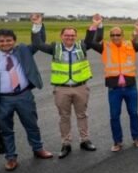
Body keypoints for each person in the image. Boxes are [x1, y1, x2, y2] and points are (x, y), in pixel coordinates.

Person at [30, 13, 97, 158]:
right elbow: (38, 44)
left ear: (76, 36)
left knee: (82, 115)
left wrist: (95, 25)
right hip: (62, 89)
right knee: (64, 117)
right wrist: (37, 25)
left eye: (72, 35)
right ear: (62, 36)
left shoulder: (82, 46)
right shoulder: (55, 48)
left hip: (80, 87)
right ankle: (66, 143)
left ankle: (85, 140)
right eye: (67, 35)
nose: (70, 38)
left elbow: (91, 40)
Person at [86, 16, 138, 152]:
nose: (115, 37)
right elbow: (89, 42)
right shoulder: (105, 46)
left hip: (130, 87)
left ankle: (137, 138)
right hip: (114, 88)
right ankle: (117, 141)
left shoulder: (130, 45)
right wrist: (94, 26)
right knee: (114, 116)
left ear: (122, 35)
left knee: (133, 113)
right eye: (112, 35)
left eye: (118, 34)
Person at [0, 28, 53, 171]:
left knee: (32, 125)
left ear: (14, 41)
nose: (5, 43)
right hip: (3, 99)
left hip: (24, 96)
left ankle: (38, 148)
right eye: (1, 41)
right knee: (5, 130)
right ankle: (11, 157)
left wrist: (37, 25)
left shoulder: (23, 51)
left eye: (8, 40)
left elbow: (38, 42)